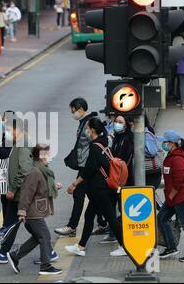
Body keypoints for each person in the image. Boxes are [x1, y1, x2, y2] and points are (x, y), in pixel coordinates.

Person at [65, 118, 126, 257]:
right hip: (103, 189)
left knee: (111, 218)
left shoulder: (95, 146)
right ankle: (80, 246)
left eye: (87, 128)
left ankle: (125, 246)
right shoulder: (104, 143)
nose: (85, 130)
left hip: (101, 190)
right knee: (89, 216)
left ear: (92, 130)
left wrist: (75, 183)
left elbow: (90, 169)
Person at [7, 144, 62, 276]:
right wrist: (22, 211)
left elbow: (39, 187)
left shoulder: (42, 169)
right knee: (45, 237)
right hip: (32, 212)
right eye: (48, 154)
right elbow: (27, 192)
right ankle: (45, 266)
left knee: (38, 237)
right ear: (41, 156)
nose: (50, 157)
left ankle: (15, 256)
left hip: (35, 211)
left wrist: (53, 186)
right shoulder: (35, 172)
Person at [0, 116, 34, 264]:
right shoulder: (19, 143)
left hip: (21, 193)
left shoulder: (23, 144)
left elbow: (24, 169)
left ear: (17, 130)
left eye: (9, 130)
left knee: (32, 226)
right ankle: (4, 252)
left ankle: (49, 252)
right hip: (20, 192)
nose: (7, 133)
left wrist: (12, 188)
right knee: (13, 222)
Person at [55, 98, 99, 237]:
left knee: (78, 193)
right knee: (94, 197)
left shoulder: (88, 124)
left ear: (80, 109)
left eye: (73, 111)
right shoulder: (85, 122)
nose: (72, 114)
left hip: (88, 165)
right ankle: (104, 223)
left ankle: (72, 226)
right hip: (87, 165)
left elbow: (94, 142)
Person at [157, 130, 184, 263]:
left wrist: (170, 196)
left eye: (164, 142)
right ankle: (171, 247)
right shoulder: (171, 155)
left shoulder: (177, 159)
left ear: (172, 143)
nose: (163, 144)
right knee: (162, 218)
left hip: (180, 198)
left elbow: (178, 181)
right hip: (173, 198)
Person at [99, 114, 134, 244]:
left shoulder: (129, 139)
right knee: (111, 206)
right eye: (116, 121)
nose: (116, 123)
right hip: (115, 178)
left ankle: (123, 237)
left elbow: (125, 160)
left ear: (126, 124)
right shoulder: (117, 137)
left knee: (122, 208)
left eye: (120, 121)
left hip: (123, 179)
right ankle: (113, 233)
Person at [0, 111, 14, 223]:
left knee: (6, 198)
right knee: (4, 198)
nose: (2, 122)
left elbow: (7, 153)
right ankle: (7, 222)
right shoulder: (6, 133)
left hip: (6, 169)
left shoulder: (10, 135)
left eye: (4, 120)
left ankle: (7, 223)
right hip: (3, 169)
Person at [144, 115, 162, 189]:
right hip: (147, 172)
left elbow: (152, 152)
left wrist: (139, 149)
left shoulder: (146, 135)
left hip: (150, 172)